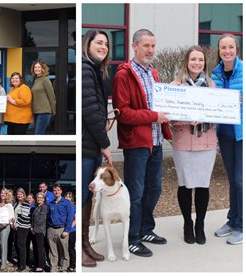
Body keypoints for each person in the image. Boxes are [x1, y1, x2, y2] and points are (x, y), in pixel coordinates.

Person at [112, 29, 172, 257]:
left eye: (153, 46)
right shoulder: (123, 75)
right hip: (136, 143)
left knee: (154, 189)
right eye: (146, 45)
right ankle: (132, 238)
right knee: (135, 193)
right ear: (134, 46)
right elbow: (124, 114)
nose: (150, 50)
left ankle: (146, 229)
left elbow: (159, 105)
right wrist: (154, 116)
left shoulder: (154, 73)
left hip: (155, 141)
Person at [170, 46, 217, 245]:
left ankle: (200, 224)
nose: (197, 63)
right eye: (193, 59)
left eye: (200, 60)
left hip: (206, 143)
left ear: (205, 63)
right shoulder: (176, 85)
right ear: (186, 62)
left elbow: (219, 115)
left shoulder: (212, 86)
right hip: (183, 143)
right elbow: (170, 118)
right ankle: (187, 223)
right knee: (185, 184)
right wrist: (189, 118)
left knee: (203, 185)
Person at [81, 29, 112, 267]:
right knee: (82, 197)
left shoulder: (95, 69)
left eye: (106, 44)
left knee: (88, 198)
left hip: (91, 144)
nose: (103, 47)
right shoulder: (85, 68)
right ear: (88, 44)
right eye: (98, 42)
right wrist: (105, 144)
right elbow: (89, 111)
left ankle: (85, 244)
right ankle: (78, 248)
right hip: (86, 145)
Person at [211, 34, 243, 245]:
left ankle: (241, 226)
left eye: (231, 47)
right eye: (223, 47)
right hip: (224, 133)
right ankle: (232, 220)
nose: (227, 51)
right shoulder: (215, 73)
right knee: (232, 179)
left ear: (236, 50)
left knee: (241, 181)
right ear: (219, 50)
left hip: (242, 135)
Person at [47, 183, 74, 272]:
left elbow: (70, 218)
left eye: (58, 190)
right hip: (51, 229)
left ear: (61, 191)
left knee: (64, 250)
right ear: (53, 192)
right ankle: (53, 268)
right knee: (52, 251)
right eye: (55, 190)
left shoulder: (67, 203)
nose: (56, 192)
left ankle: (63, 268)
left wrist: (66, 230)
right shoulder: (50, 203)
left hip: (62, 229)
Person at [31, 59, 56, 134]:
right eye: (35, 67)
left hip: (44, 111)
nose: (37, 69)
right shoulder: (36, 80)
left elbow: (51, 96)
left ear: (43, 69)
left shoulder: (45, 80)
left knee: (38, 134)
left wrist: (53, 111)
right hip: (36, 112)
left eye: (39, 67)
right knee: (40, 134)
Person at [0, 188, 14, 271]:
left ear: (7, 195)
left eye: (4, 193)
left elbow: (12, 217)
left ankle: (3, 264)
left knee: (4, 244)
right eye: (1, 193)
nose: (2, 195)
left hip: (5, 226)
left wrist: (7, 223)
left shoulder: (9, 204)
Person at [13, 188, 31, 272]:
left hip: (23, 227)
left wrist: (16, 224)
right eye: (18, 194)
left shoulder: (25, 203)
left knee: (21, 245)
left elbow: (24, 216)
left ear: (24, 195)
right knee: (17, 245)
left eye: (21, 194)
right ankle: (19, 262)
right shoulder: (16, 203)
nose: (19, 195)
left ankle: (22, 265)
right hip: (16, 227)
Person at [31, 192, 48, 272]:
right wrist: (32, 227)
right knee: (35, 248)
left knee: (40, 248)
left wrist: (34, 227)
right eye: (38, 197)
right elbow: (33, 219)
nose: (39, 199)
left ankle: (41, 266)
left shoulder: (44, 207)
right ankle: (37, 264)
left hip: (40, 231)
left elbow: (41, 219)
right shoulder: (36, 207)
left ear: (43, 199)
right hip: (34, 231)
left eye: (41, 197)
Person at [64, 192, 76, 272]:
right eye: (66, 196)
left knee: (70, 248)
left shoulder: (74, 206)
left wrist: (68, 228)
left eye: (70, 197)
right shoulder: (63, 206)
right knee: (64, 248)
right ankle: (65, 264)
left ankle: (72, 265)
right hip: (63, 230)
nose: (68, 198)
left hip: (71, 230)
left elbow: (76, 219)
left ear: (72, 198)